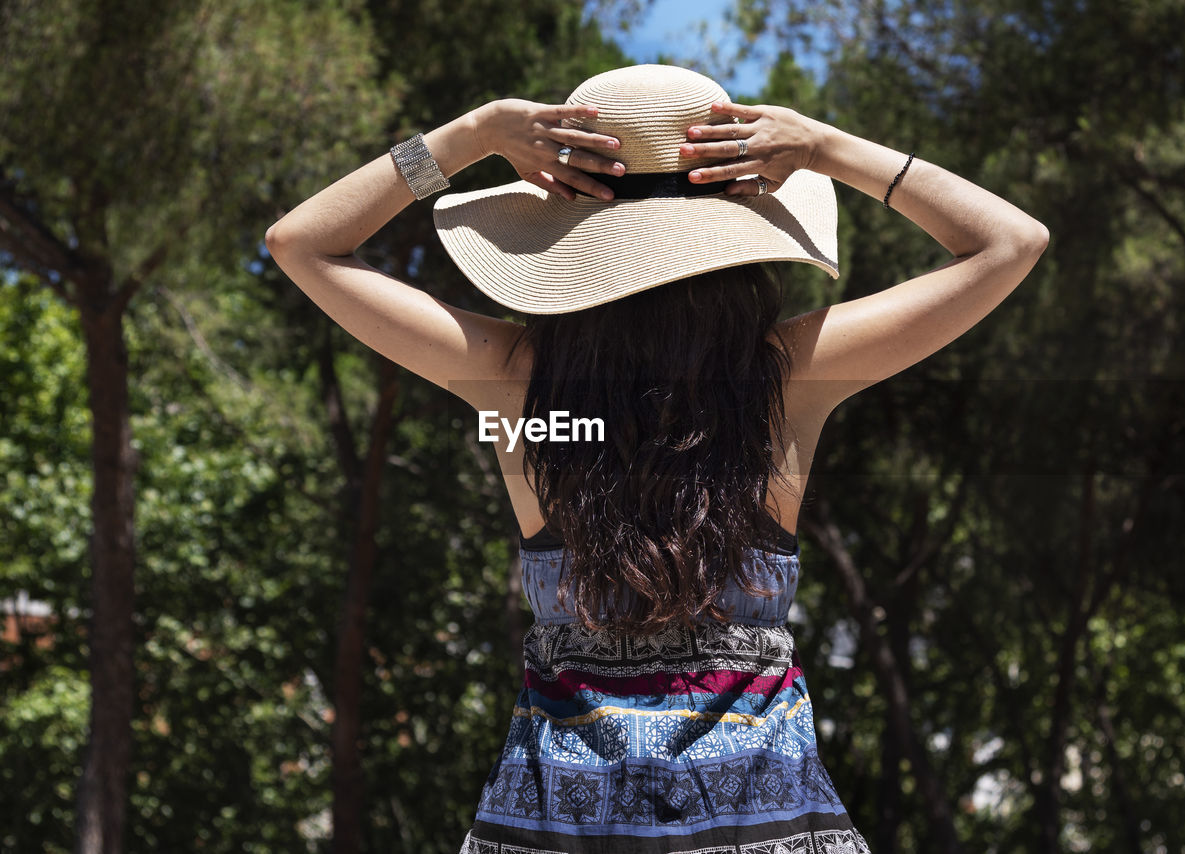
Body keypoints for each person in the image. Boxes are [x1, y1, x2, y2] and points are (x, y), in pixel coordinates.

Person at [266, 64, 1048, 854]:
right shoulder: (787, 382)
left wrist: (473, 134)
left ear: (566, 240)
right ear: (738, 231)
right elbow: (1010, 242)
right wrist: (826, 147)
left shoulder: (515, 384)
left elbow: (302, 244)